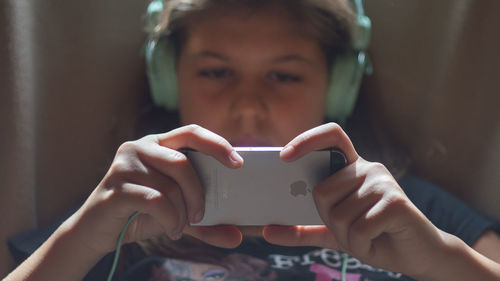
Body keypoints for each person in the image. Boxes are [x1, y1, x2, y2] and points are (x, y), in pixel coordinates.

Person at [5, 0, 500, 280]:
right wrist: (84, 237)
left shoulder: (405, 208)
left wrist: (439, 259)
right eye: (216, 72)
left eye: (283, 77)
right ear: (168, 81)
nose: (248, 105)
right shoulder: (120, 212)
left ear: (339, 88)